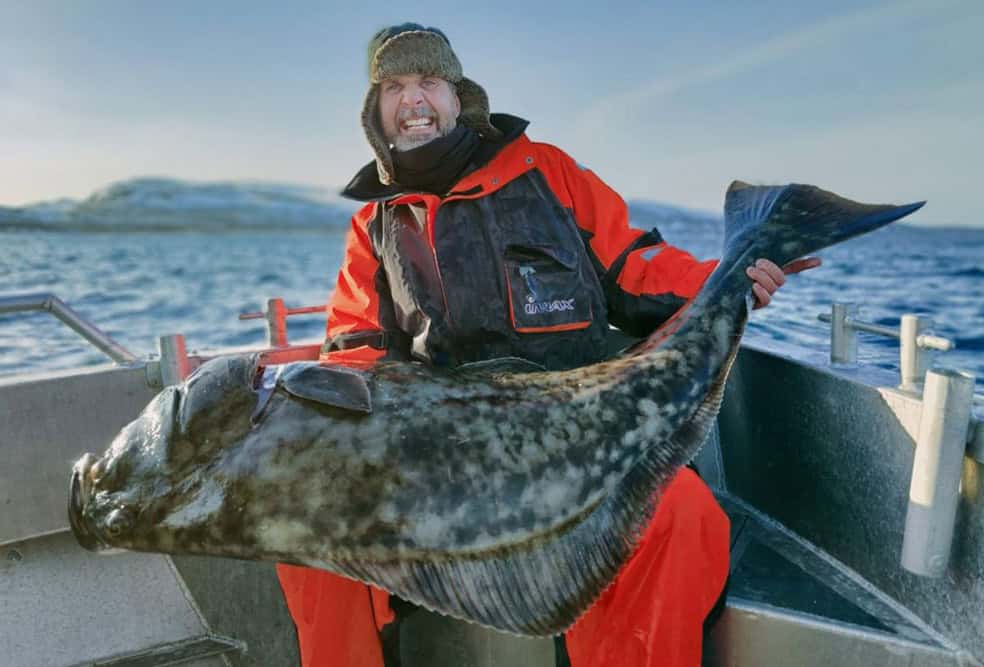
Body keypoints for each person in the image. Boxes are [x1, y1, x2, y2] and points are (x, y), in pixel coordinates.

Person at [276, 22, 819, 667]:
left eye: (427, 81)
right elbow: (354, 348)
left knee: (678, 517)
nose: (412, 98)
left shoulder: (548, 172)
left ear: (458, 96)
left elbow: (637, 267)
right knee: (304, 526)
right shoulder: (373, 226)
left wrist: (724, 280)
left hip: (583, 433)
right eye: (394, 86)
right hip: (446, 453)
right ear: (376, 112)